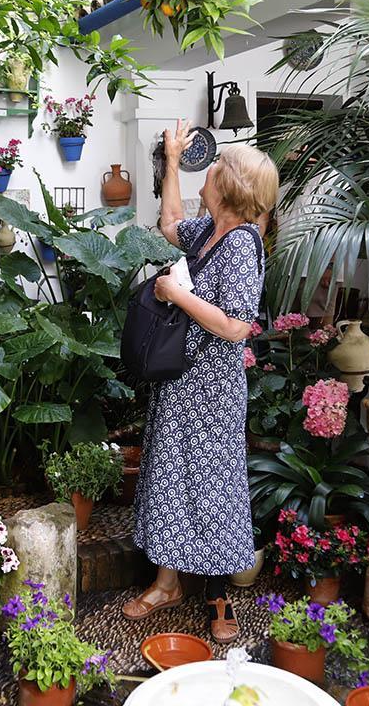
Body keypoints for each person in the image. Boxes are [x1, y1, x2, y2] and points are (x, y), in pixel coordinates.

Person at [122, 119, 279, 643]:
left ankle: (217, 596)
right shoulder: (211, 232)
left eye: (213, 168)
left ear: (229, 186)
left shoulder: (241, 246)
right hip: (180, 381)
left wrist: (177, 295)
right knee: (171, 478)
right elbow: (170, 223)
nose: (205, 173)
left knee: (213, 489)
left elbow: (235, 326)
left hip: (211, 392)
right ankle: (167, 584)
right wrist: (170, 160)